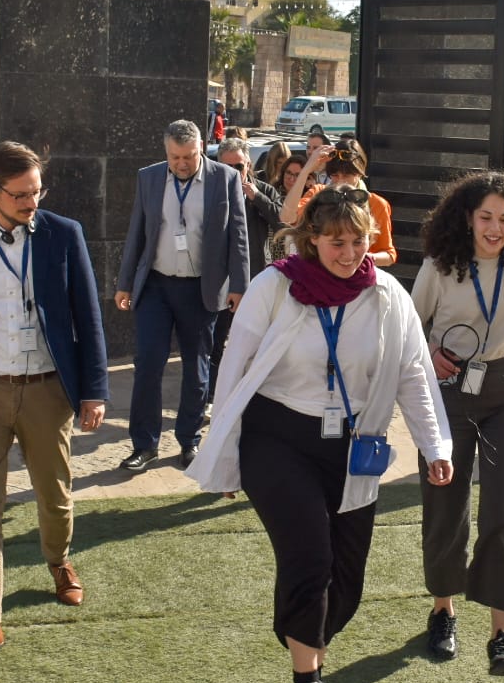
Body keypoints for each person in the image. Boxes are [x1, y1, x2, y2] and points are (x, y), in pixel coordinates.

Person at [187, 187, 453, 683]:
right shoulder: (275, 286)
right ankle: (308, 680)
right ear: (312, 240)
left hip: (355, 445)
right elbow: (235, 366)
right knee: (309, 556)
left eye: (359, 240)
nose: (349, 252)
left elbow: (413, 374)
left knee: (346, 578)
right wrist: (225, 453)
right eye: (337, 241)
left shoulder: (386, 296)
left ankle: (307, 636)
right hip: (276, 437)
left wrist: (435, 445)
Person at [0, 141, 109, 671]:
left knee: (53, 495)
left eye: (37, 191)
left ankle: (59, 561)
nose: (33, 201)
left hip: (48, 387)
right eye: (21, 194)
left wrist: (93, 390)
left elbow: (88, 316)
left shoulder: (64, 234)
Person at [410, 171, 504, 676]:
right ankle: (443, 611)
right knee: (445, 503)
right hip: (449, 394)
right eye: (486, 218)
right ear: (467, 218)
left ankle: (502, 635)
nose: (495, 229)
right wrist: (431, 351)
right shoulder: (441, 264)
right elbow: (411, 324)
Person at [115, 120, 249, 473]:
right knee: (147, 364)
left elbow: (238, 235)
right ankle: (144, 445)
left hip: (200, 287)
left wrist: (239, 286)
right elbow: (136, 233)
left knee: (197, 366)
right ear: (166, 152)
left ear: (201, 147)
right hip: (155, 286)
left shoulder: (225, 178)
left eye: (188, 156)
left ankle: (189, 440)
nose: (182, 164)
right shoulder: (149, 177)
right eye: (175, 157)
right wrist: (124, 283)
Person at [208, 138, 283, 401]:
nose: (232, 174)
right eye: (226, 167)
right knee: (215, 343)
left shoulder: (262, 191)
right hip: (219, 282)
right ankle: (213, 396)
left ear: (248, 165)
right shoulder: (209, 191)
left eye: (238, 167)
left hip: (255, 279)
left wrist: (256, 196)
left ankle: (255, 395)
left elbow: (283, 220)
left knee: (258, 343)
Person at [279, 138, 397, 267]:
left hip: (357, 279)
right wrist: (306, 170)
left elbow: (389, 255)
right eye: (335, 175)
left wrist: (360, 258)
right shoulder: (318, 194)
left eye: (347, 175)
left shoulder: (376, 204)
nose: (340, 181)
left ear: (360, 173)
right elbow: (287, 218)